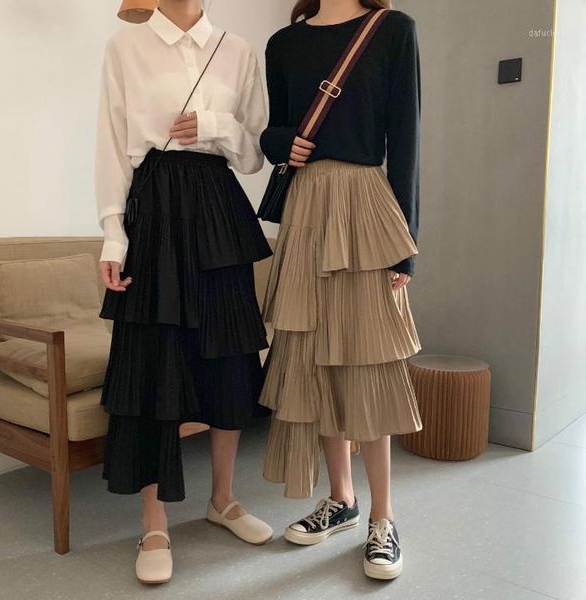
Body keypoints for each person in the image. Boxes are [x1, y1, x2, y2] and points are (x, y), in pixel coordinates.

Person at [95, 0, 273, 584]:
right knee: (155, 363)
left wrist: (216, 126)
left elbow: (254, 154)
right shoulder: (127, 47)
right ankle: (154, 522)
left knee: (229, 357)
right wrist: (113, 236)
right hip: (154, 210)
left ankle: (223, 500)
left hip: (219, 207)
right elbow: (111, 144)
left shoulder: (238, 50)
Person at [258, 0, 423, 581]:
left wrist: (405, 242)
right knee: (314, 358)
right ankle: (342, 499)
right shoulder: (284, 43)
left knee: (368, 359)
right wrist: (283, 142)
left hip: (365, 209)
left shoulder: (393, 30)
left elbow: (406, 137)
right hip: (305, 209)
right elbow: (274, 131)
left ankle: (383, 517)